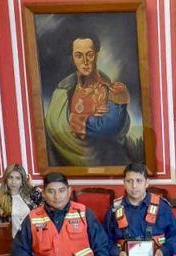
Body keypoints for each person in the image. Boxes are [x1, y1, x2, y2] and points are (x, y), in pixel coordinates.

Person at [45, 34, 131, 167]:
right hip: (66, 164)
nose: (85, 61)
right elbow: (53, 128)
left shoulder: (111, 90)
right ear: (73, 59)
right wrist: (89, 118)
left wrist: (82, 121)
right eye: (79, 56)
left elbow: (117, 126)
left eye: (90, 54)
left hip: (107, 162)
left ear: (97, 55)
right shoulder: (62, 93)